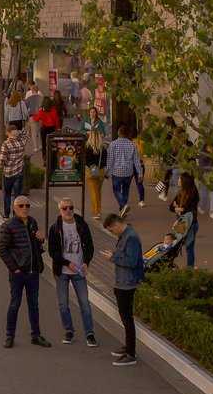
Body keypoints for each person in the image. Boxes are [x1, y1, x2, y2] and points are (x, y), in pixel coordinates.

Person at [0, 197, 50, 348]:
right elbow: (2, 250)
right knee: (15, 304)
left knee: (34, 304)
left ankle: (36, 335)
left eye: (27, 205)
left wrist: (40, 240)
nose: (24, 208)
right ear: (14, 208)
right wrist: (15, 268)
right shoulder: (8, 226)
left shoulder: (32, 222)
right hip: (18, 273)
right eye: (21, 206)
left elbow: (34, 246)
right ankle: (9, 335)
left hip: (33, 271)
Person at [50, 198, 97, 346]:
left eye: (71, 207)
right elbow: (53, 252)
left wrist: (85, 262)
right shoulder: (55, 228)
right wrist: (67, 263)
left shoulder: (82, 225)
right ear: (60, 211)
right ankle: (69, 330)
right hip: (62, 271)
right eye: (65, 208)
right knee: (63, 303)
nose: (68, 211)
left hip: (78, 271)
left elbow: (89, 247)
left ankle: (89, 333)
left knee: (84, 303)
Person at [102, 214, 145, 366]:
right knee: (125, 317)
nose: (112, 233)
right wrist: (114, 254)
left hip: (127, 283)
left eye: (112, 230)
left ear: (117, 225)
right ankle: (128, 347)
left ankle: (130, 353)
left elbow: (132, 262)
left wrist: (112, 258)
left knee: (127, 318)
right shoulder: (126, 235)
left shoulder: (131, 238)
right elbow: (126, 256)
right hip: (122, 281)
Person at [107, 125, 141, 212]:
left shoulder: (113, 144)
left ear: (119, 133)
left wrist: (108, 172)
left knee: (116, 190)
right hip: (129, 171)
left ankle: (123, 205)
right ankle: (122, 209)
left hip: (117, 171)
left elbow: (110, 160)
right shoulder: (133, 145)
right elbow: (137, 161)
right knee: (126, 189)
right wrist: (140, 173)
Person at [170, 172, 200, 268]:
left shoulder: (192, 193)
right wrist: (178, 209)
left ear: (184, 181)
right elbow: (171, 207)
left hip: (189, 224)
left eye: (180, 179)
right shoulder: (180, 193)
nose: (178, 180)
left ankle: (189, 267)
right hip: (182, 223)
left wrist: (178, 209)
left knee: (188, 247)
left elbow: (187, 210)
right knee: (176, 243)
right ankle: (171, 264)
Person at [82, 114, 107, 218]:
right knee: (98, 191)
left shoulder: (87, 147)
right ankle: (97, 209)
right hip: (101, 171)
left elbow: (85, 161)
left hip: (90, 171)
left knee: (93, 192)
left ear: (91, 135)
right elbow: (105, 161)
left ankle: (96, 212)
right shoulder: (103, 147)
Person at [0, 127, 26, 217]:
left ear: (8, 133)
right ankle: (16, 214)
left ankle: (6, 214)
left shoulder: (6, 144)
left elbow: (2, 158)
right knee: (17, 194)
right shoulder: (22, 142)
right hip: (19, 171)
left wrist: (1, 164)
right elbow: (26, 133)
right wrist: (19, 132)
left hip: (8, 172)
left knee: (7, 194)